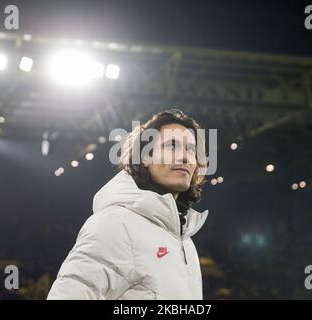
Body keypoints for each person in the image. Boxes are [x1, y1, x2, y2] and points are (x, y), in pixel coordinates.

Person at [47, 109, 209, 299]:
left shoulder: (185, 242)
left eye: (191, 149)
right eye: (171, 146)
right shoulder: (115, 224)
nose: (185, 157)